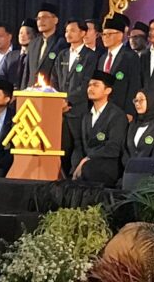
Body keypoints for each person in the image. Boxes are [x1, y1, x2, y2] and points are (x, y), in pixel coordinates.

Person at [53, 18, 97, 176]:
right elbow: (54, 79)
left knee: (78, 145)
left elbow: (86, 83)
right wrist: (57, 99)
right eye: (66, 31)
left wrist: (68, 100)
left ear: (83, 33)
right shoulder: (62, 55)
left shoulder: (90, 56)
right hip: (60, 110)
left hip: (78, 109)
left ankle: (75, 177)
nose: (68, 34)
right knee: (61, 146)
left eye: (72, 30)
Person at [71, 71, 128, 187]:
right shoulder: (86, 115)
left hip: (106, 165)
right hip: (85, 164)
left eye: (96, 85)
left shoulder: (117, 115)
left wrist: (88, 158)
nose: (90, 88)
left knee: (88, 170)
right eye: (89, 85)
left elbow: (113, 147)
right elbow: (79, 145)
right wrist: (77, 164)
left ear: (108, 90)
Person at [99, 14, 141, 117]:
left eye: (109, 34)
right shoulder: (102, 58)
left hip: (120, 110)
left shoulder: (130, 56)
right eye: (104, 34)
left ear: (120, 35)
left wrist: (130, 111)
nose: (105, 37)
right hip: (102, 109)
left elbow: (134, 85)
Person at [26, 4, 67, 87]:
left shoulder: (62, 43)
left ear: (55, 20)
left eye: (44, 17)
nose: (40, 21)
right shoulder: (33, 43)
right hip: (32, 90)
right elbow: (26, 72)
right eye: (38, 19)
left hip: (51, 90)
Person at [123, 90, 154, 165]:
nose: (137, 103)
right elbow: (124, 149)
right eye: (136, 100)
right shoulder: (132, 125)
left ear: (151, 101)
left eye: (141, 100)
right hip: (129, 169)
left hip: (149, 170)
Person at [14, 19, 38, 88]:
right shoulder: (10, 56)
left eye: (27, 33)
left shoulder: (37, 57)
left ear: (35, 35)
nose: (22, 36)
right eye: (21, 33)